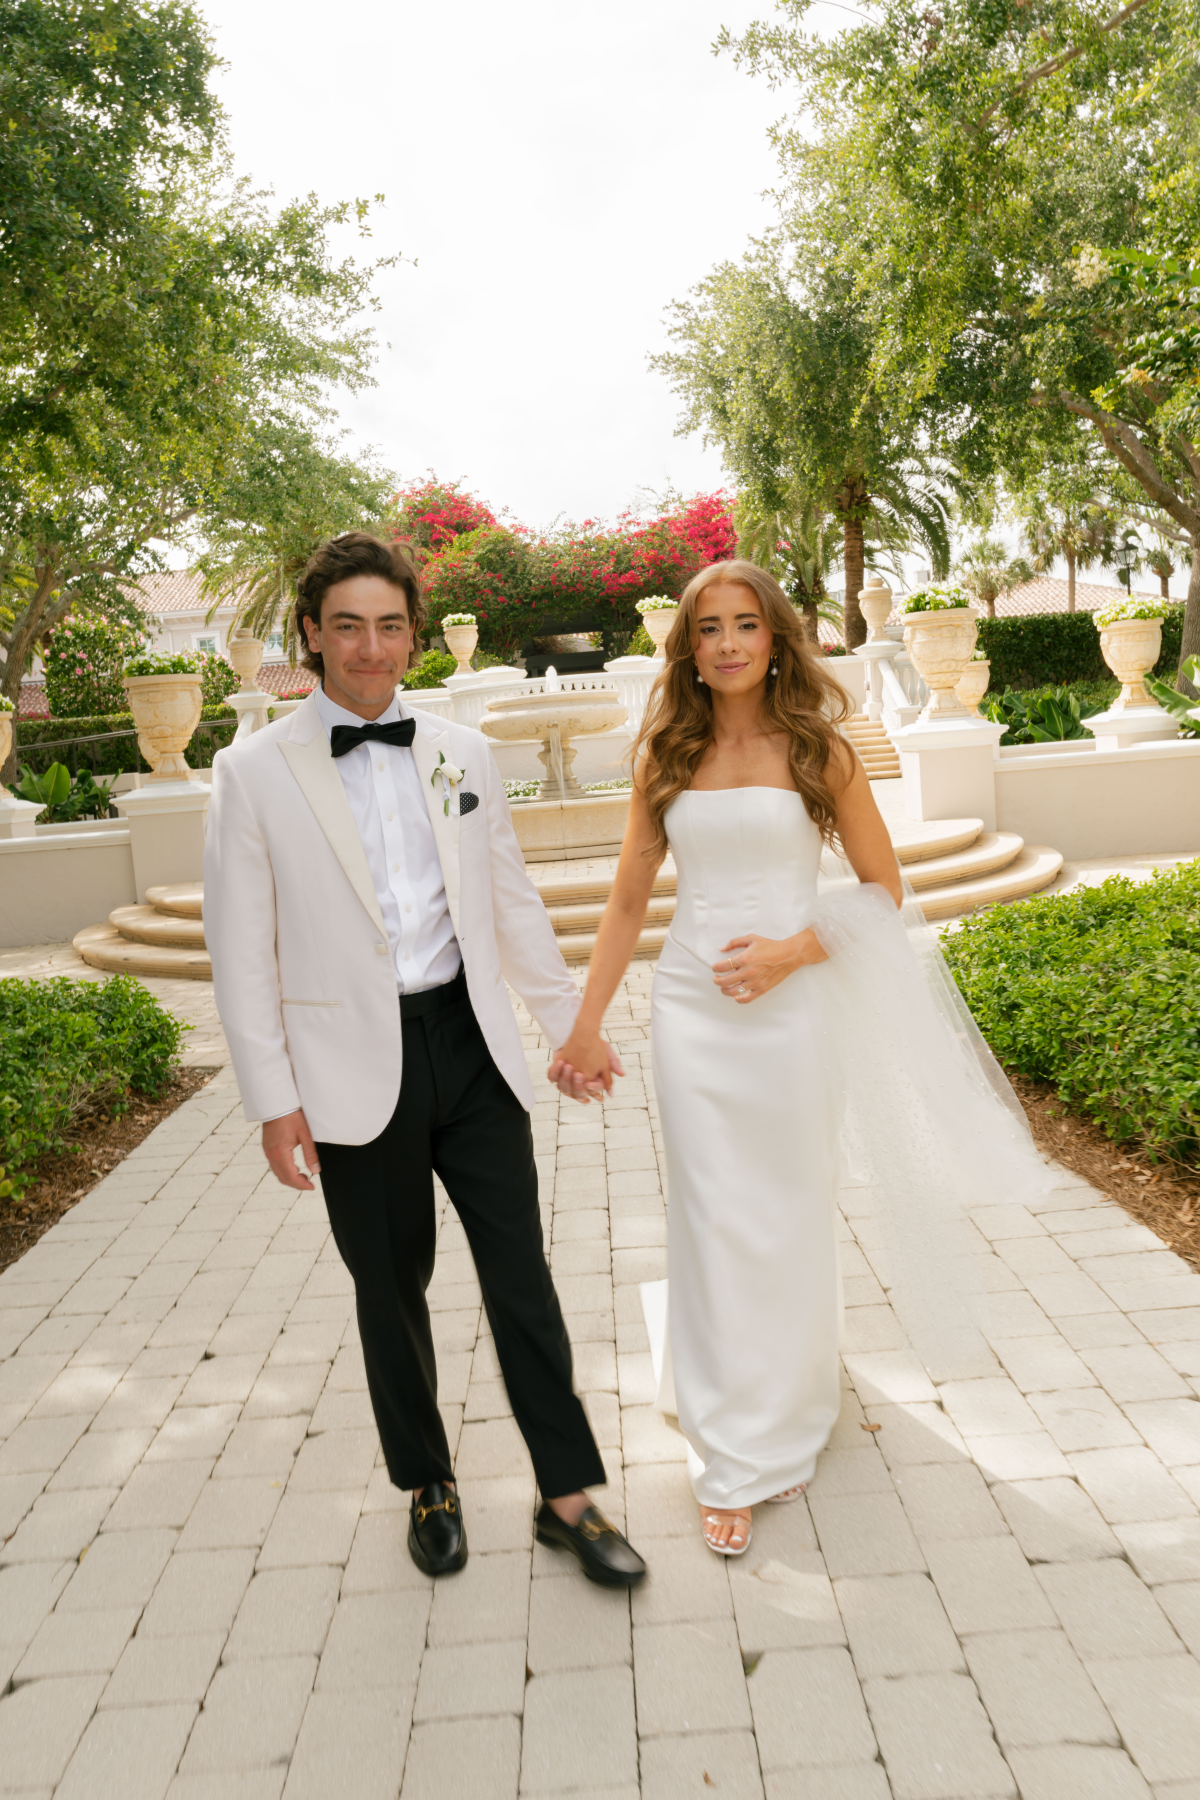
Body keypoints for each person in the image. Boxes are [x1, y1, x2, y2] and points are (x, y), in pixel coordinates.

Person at [550, 559, 1054, 1556]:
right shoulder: (666, 752)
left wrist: (792, 950)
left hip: (792, 1015)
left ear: (776, 637)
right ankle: (732, 1452)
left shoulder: (820, 748)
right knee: (711, 1216)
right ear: (688, 648)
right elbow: (627, 899)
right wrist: (585, 1023)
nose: (728, 643)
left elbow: (883, 889)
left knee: (785, 1211)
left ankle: (790, 1394)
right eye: (709, 628)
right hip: (691, 1012)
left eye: (746, 624)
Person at [203, 531, 645, 1588]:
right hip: (349, 1070)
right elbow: (240, 950)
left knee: (521, 1276)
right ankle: (428, 1483)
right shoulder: (251, 772)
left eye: (389, 626)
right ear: (311, 635)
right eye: (348, 626)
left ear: (413, 637)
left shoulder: (463, 751)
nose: (370, 647)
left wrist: (571, 1026)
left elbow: (510, 904)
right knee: (390, 1288)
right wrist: (273, 1099)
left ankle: (567, 1495)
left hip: (470, 1046)